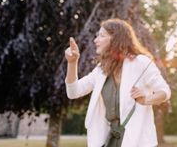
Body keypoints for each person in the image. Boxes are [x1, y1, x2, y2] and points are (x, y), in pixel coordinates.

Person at [64, 18, 171, 147]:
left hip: (137, 140)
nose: (95, 40)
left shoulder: (141, 62)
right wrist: (72, 62)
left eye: (101, 36)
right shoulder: (101, 69)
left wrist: (146, 99)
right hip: (108, 140)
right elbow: (73, 92)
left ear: (116, 39)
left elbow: (165, 92)